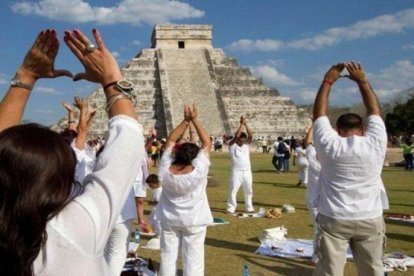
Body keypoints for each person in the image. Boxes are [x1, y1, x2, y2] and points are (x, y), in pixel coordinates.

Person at [0, 28, 144, 275]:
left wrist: (25, 76)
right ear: (60, 178)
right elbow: (128, 142)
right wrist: (110, 79)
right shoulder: (75, 228)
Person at [312, 62, 389, 276]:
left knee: (330, 271)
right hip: (369, 216)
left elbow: (319, 114)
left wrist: (328, 81)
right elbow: (374, 110)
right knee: (373, 269)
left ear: (337, 129)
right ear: (363, 129)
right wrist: (362, 81)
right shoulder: (375, 143)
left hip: (334, 216)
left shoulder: (330, 144)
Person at [156, 104, 213, 276]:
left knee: (167, 257)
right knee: (193, 260)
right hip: (194, 220)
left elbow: (171, 140)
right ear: (195, 158)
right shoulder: (199, 170)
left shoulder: (165, 169)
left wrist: (185, 122)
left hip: (169, 219)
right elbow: (207, 143)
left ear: (176, 154)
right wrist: (194, 119)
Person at [227, 116, 255, 213]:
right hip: (236, 171)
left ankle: (249, 207)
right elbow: (235, 136)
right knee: (233, 190)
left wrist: (246, 124)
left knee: (248, 190)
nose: (243, 141)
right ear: (238, 139)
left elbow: (251, 136)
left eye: (244, 140)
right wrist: (241, 124)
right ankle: (231, 207)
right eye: (241, 140)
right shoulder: (232, 145)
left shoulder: (246, 145)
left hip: (247, 171)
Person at [304, 125, 321, 264]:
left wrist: (313, 125)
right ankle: (317, 256)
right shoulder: (331, 160)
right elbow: (308, 142)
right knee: (319, 228)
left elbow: (307, 141)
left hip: (324, 199)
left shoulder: (312, 155)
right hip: (317, 200)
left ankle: (319, 256)